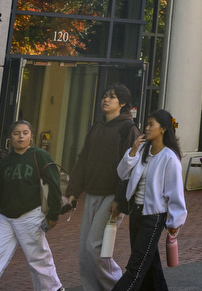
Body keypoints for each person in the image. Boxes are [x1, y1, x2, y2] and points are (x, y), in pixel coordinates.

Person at [0, 119, 63, 291]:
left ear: (31, 137)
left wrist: (53, 214)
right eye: (16, 133)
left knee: (39, 261)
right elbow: (0, 193)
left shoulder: (40, 155)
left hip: (30, 216)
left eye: (25, 133)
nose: (21, 137)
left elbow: (54, 185)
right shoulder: (6, 161)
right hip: (5, 219)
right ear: (10, 138)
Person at [69, 84, 140, 291]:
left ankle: (119, 287)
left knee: (95, 248)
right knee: (84, 252)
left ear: (123, 103)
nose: (105, 100)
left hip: (113, 197)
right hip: (92, 193)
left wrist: (120, 199)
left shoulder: (129, 129)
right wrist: (72, 192)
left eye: (112, 97)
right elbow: (84, 160)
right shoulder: (96, 127)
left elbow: (131, 169)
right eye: (104, 96)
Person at [115, 110, 187, 291]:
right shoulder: (141, 150)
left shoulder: (169, 157)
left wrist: (174, 222)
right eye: (146, 124)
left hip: (153, 217)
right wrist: (132, 151)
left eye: (151, 124)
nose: (146, 128)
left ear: (163, 129)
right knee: (149, 265)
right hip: (136, 213)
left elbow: (175, 193)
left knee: (135, 268)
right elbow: (122, 173)